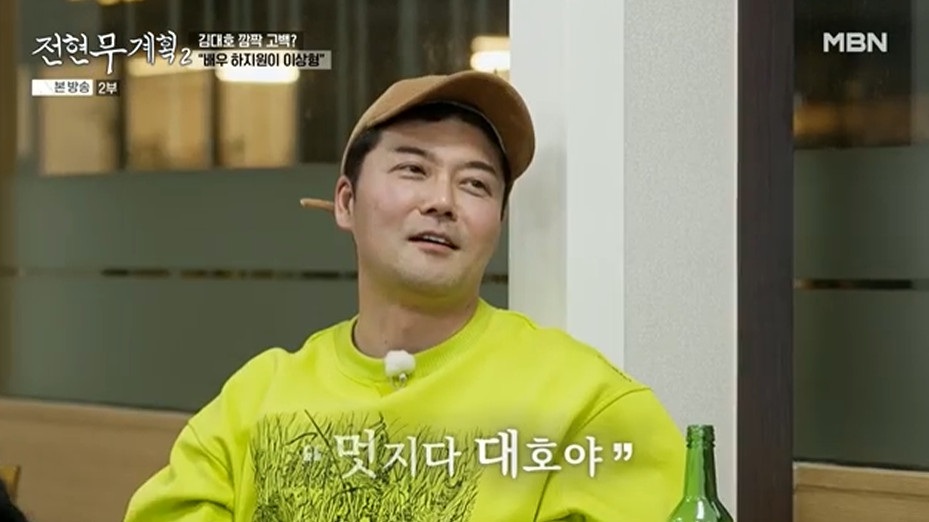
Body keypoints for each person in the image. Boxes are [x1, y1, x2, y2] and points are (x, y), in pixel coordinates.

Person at [124, 71, 685, 521]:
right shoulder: (253, 403)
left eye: (475, 183)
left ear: (498, 222)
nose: (442, 201)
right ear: (346, 202)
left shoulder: (588, 410)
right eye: (413, 169)